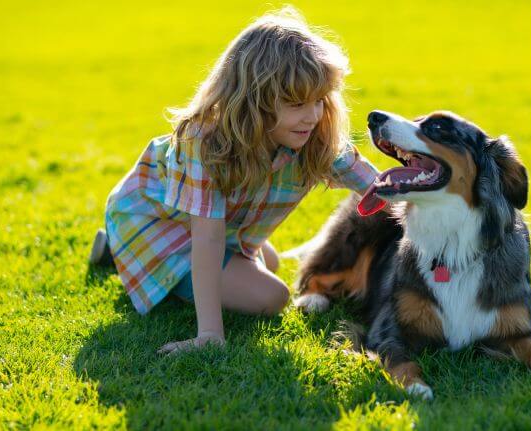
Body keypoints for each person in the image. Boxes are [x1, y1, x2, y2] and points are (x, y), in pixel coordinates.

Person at [88, 8, 379, 354]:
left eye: (319, 101)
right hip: (157, 224)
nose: (313, 116)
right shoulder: (206, 140)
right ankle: (131, 255)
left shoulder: (314, 134)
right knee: (272, 296)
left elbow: (378, 188)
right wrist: (209, 333)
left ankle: (116, 254)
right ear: (255, 100)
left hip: (215, 227)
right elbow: (207, 239)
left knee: (268, 261)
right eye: (298, 103)